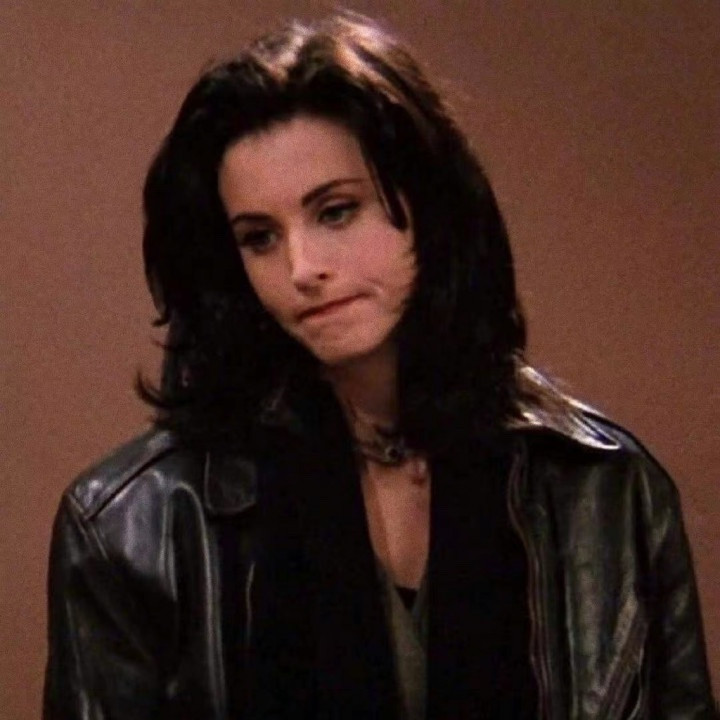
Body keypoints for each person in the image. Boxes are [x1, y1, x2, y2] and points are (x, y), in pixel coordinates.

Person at [44, 13, 717, 720]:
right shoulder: (130, 528)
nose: (302, 268)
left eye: (336, 212)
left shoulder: (607, 493)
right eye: (260, 237)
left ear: (428, 206)